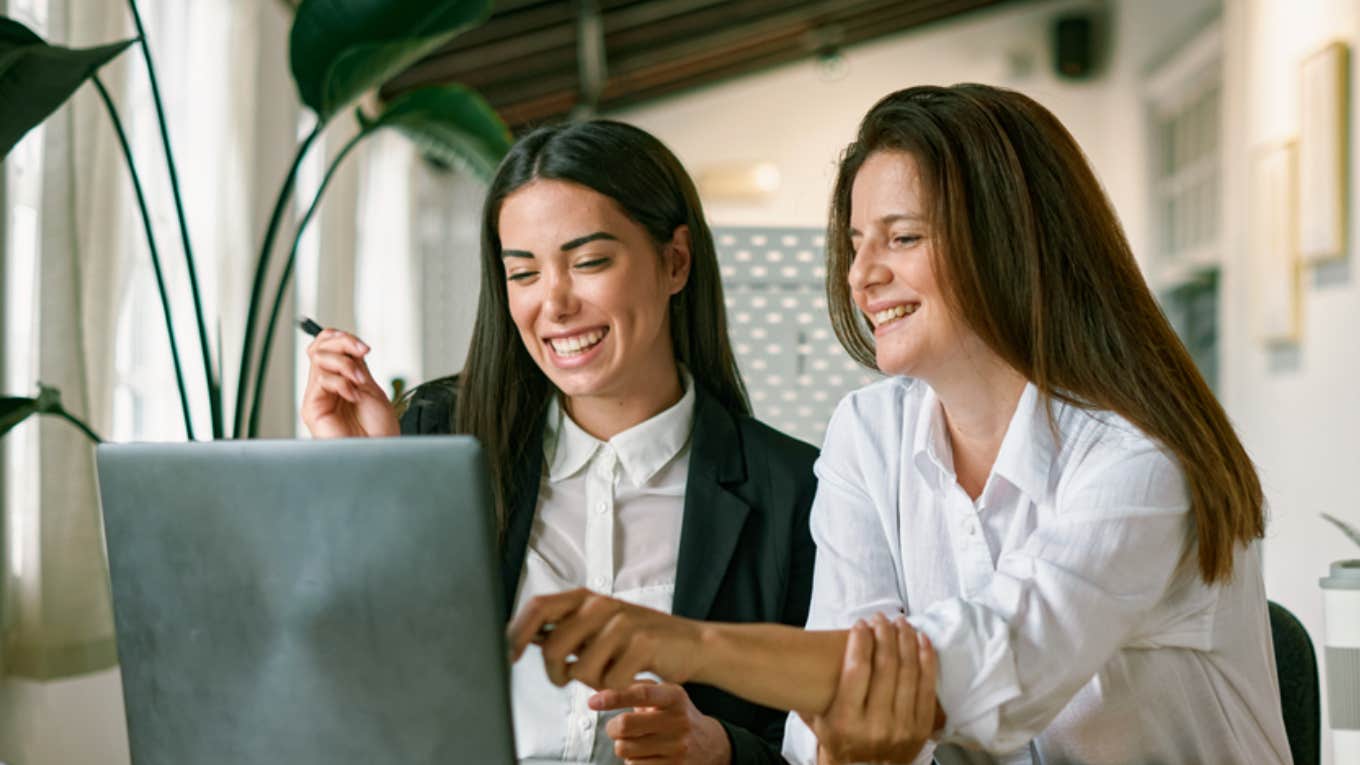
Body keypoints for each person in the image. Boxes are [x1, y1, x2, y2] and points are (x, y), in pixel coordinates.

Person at [506, 84, 1292, 765]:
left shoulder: (1139, 460)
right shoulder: (870, 433)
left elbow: (993, 664)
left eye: (903, 237)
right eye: (855, 243)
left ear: (1012, 242)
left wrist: (683, 643)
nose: (860, 274)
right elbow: (822, 744)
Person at [300, 120, 818, 764]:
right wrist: (370, 478)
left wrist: (722, 750)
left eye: (590, 262)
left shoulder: (793, 490)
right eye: (524, 273)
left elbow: (826, 741)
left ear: (675, 261)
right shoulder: (441, 436)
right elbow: (356, 684)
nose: (556, 303)